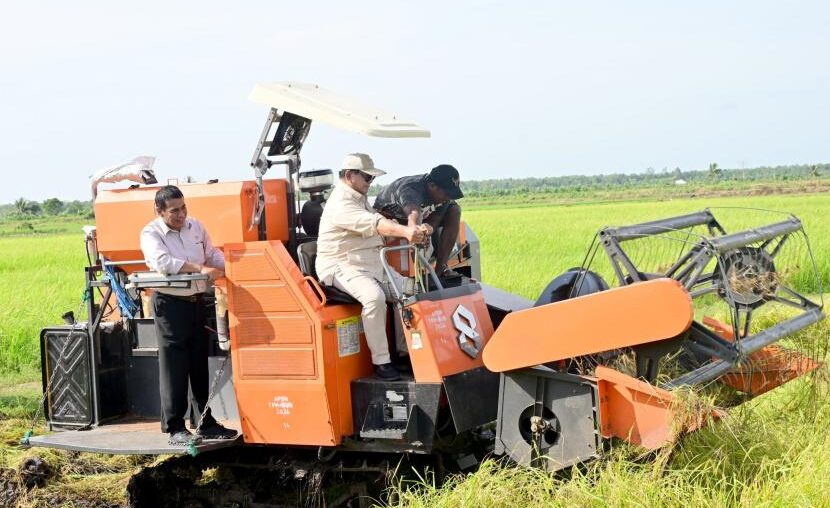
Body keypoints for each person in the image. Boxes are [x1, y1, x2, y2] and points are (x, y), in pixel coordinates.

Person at [316, 153, 431, 381]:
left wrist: (414, 228)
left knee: (410, 291)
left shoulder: (359, 198)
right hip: (342, 265)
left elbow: (380, 220)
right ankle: (382, 362)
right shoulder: (340, 203)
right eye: (367, 178)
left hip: (370, 264)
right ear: (350, 176)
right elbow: (374, 223)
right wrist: (407, 232)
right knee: (374, 298)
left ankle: (405, 352)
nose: (371, 183)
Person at [140, 185, 238, 445]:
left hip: (197, 302)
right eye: (174, 211)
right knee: (175, 366)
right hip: (170, 305)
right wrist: (199, 268)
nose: (181, 214)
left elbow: (211, 254)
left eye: (183, 208)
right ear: (159, 211)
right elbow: (162, 263)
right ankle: (174, 427)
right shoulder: (151, 233)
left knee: (198, 363)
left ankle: (204, 421)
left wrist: (234, 266)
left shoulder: (195, 227)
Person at [373, 164, 464, 277]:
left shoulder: (444, 197)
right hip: (391, 218)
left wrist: (429, 228)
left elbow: (436, 217)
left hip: (417, 217)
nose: (449, 197)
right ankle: (416, 274)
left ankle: (441, 269)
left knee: (454, 210)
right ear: (432, 186)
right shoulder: (411, 188)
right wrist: (417, 231)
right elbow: (413, 214)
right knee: (416, 236)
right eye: (446, 193)